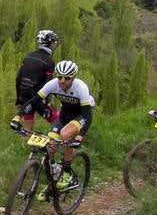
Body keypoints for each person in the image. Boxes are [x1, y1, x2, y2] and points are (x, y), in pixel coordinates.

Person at [12, 59, 95, 189]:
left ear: (73, 78)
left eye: (66, 78)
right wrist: (17, 117)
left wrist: (79, 136)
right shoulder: (53, 84)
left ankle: (67, 173)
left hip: (81, 115)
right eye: (60, 77)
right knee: (50, 148)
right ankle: (52, 185)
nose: (62, 81)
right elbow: (33, 102)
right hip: (64, 115)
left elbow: (87, 115)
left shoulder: (81, 88)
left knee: (65, 134)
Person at [15, 29, 59, 128]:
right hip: (38, 99)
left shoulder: (28, 57)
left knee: (27, 129)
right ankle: (58, 143)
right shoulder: (49, 61)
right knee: (59, 124)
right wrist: (47, 104)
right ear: (51, 43)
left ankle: (26, 143)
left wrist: (18, 99)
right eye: (55, 43)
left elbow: (18, 78)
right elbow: (49, 84)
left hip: (25, 97)